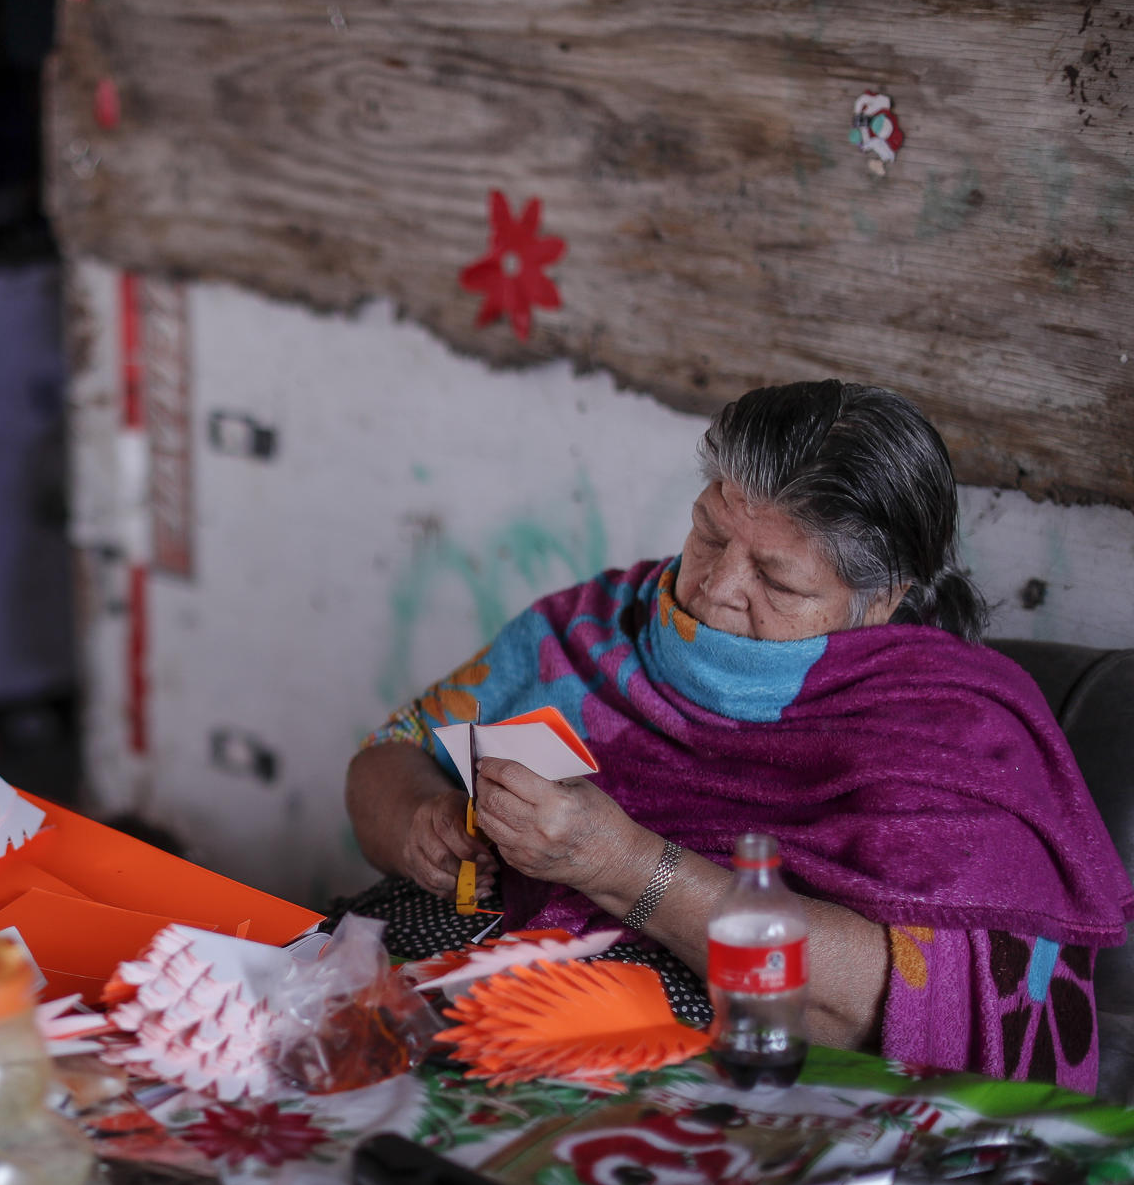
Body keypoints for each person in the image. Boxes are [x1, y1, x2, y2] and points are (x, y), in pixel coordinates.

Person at [347, 381, 1131, 1093]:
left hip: (708, 1093)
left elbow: (894, 1001)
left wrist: (624, 865)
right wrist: (425, 821)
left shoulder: (951, 734)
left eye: (778, 580)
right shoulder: (601, 624)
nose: (717, 589)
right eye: (709, 536)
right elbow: (390, 756)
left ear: (882, 596)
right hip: (443, 1004)